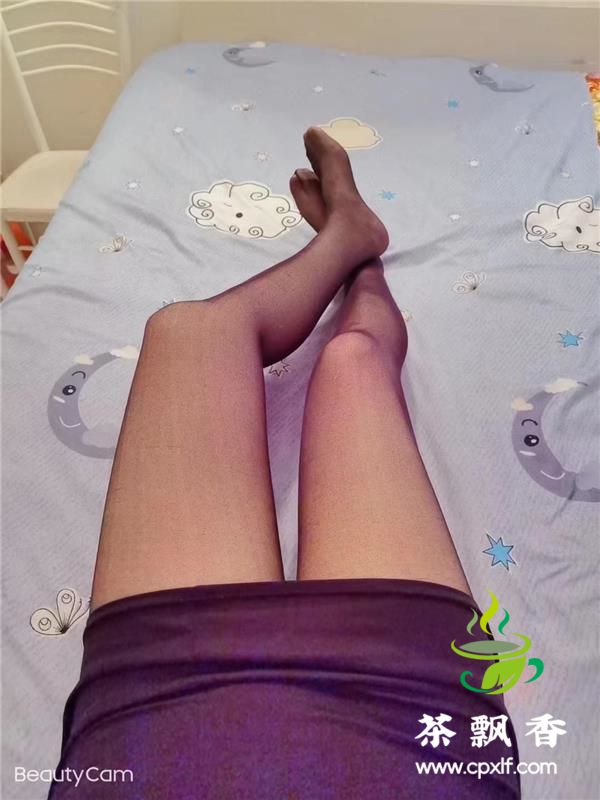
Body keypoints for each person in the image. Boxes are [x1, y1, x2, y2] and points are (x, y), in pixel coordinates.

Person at [50, 128, 520, 798]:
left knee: (186, 330)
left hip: (158, 713)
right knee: (353, 361)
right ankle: (359, 257)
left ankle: (348, 243)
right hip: (401, 728)